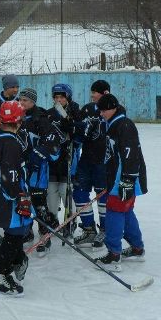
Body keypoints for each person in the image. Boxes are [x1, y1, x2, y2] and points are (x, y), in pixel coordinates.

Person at [0, 100, 32, 297]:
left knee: (15, 234)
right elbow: (10, 175)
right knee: (15, 235)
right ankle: (0, 274)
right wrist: (19, 197)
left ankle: (14, 262)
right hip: (7, 198)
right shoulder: (11, 144)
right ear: (18, 121)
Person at [95, 93, 148, 266]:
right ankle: (137, 247)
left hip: (124, 179)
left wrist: (127, 180)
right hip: (118, 179)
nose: (101, 113)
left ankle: (113, 253)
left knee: (115, 212)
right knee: (125, 211)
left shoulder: (124, 125)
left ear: (113, 108)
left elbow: (131, 155)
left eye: (104, 110)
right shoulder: (113, 124)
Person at [17, 87, 64, 256]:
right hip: (20, 170)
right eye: (20, 99)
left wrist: (36, 155)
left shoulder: (41, 119)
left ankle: (45, 235)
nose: (22, 103)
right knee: (23, 202)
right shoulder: (16, 116)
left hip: (38, 171)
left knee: (39, 203)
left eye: (26, 100)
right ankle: (27, 231)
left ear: (33, 102)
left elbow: (53, 144)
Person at [72, 79, 111, 248]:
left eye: (95, 92)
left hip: (103, 162)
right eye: (92, 92)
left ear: (105, 93)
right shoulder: (87, 108)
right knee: (79, 193)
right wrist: (75, 129)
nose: (92, 95)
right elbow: (79, 132)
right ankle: (89, 229)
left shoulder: (114, 110)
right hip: (86, 160)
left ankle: (105, 229)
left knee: (103, 195)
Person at [45, 83, 81, 237]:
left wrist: (70, 125)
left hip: (68, 161)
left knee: (67, 194)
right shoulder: (49, 114)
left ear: (68, 97)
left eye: (62, 97)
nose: (59, 100)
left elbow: (79, 135)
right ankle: (52, 221)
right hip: (52, 163)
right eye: (56, 97)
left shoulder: (75, 112)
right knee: (51, 196)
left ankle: (70, 222)